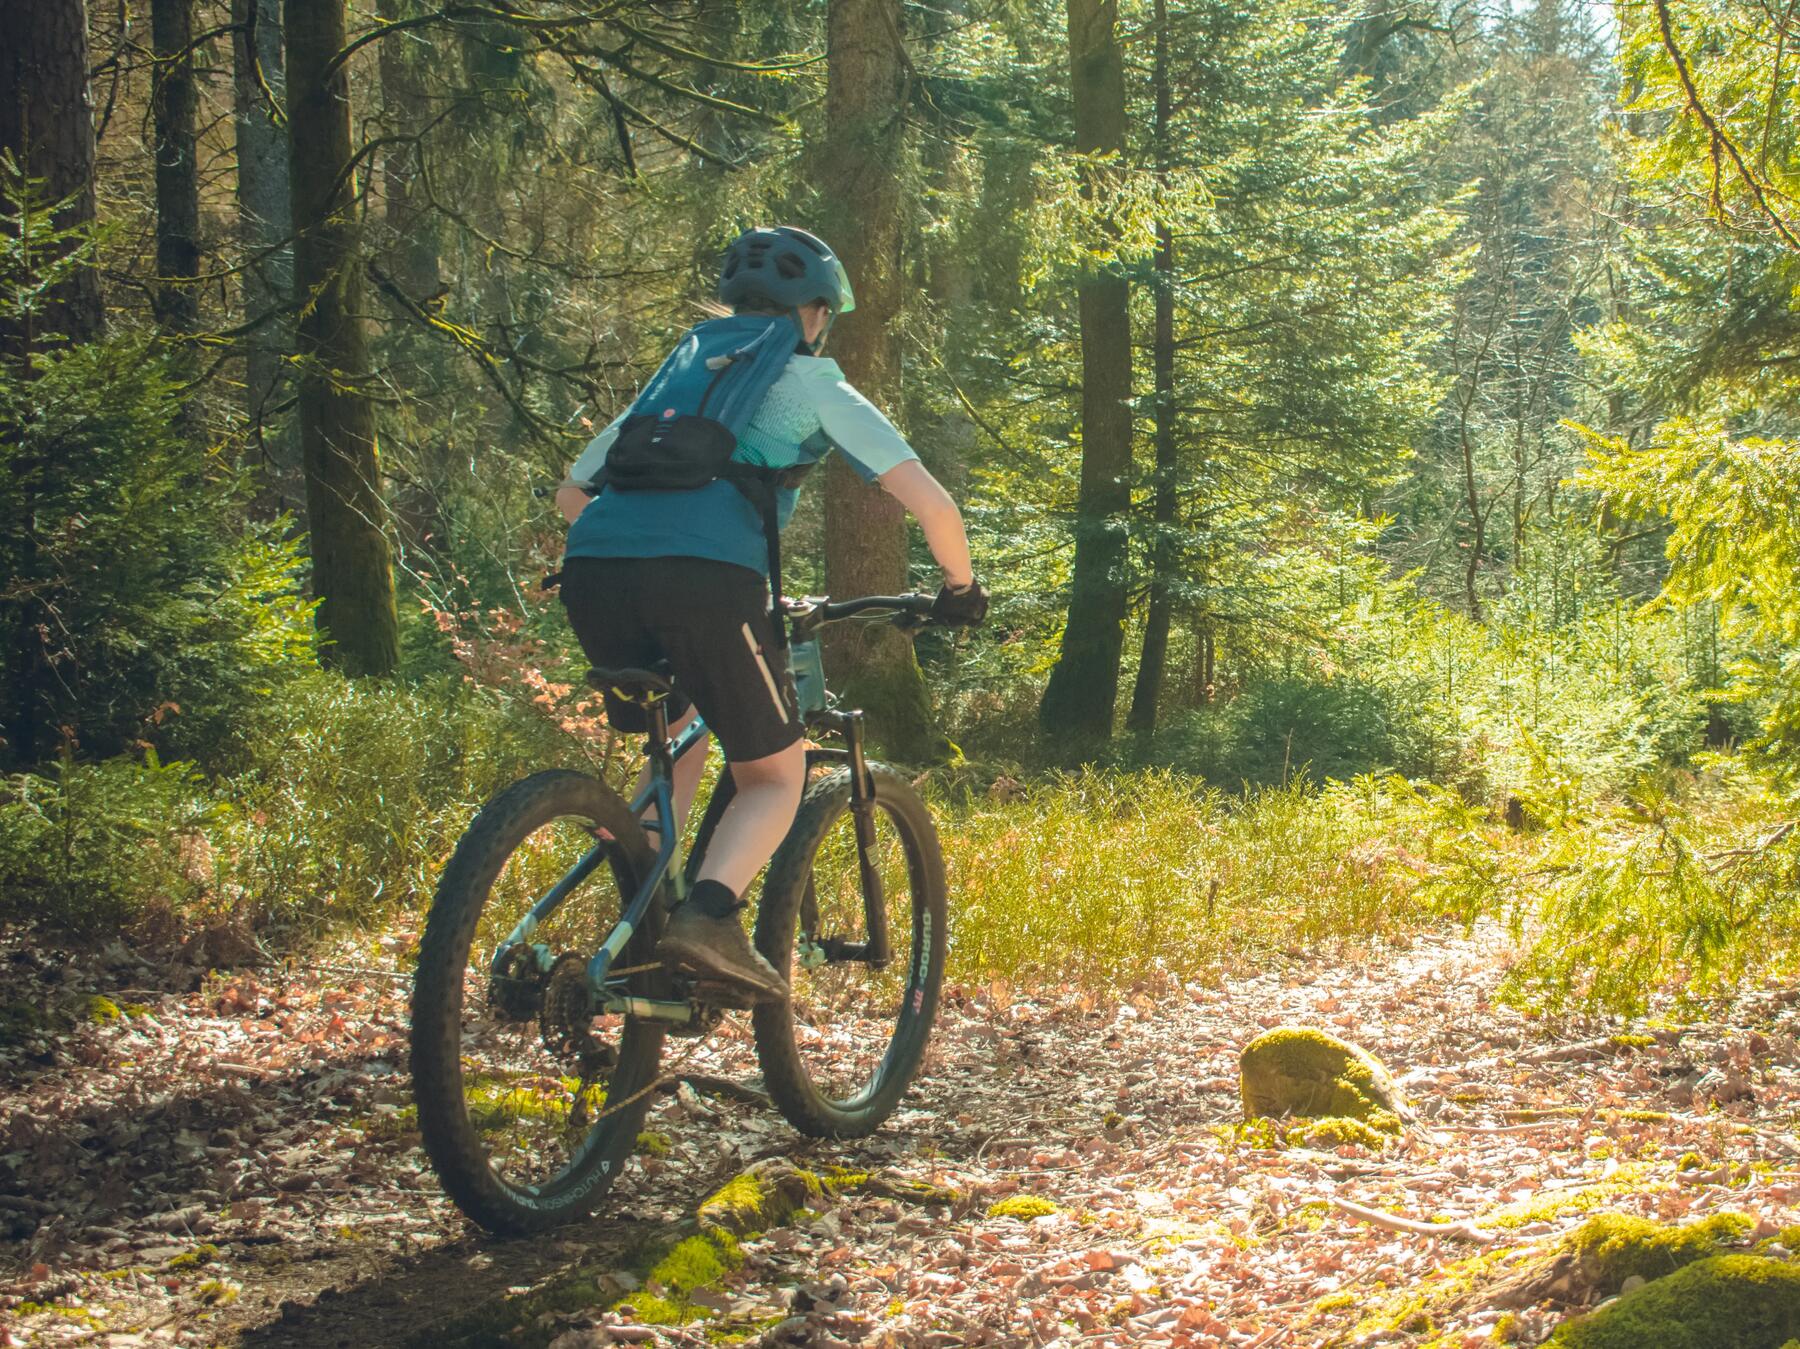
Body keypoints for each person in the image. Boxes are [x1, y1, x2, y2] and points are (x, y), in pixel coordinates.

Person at [554, 226, 987, 1003]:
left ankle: (638, 925)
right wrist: (960, 589)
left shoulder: (681, 371)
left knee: (676, 734)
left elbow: (570, 491)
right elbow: (931, 501)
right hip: (709, 584)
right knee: (774, 775)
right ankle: (710, 918)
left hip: (593, 573)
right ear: (814, 314)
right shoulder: (811, 381)